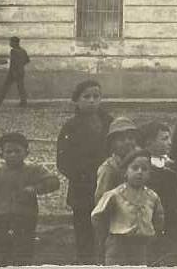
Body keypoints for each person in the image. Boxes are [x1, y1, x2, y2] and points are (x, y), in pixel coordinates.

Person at [57, 79, 114, 264]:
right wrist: (84, 175)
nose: (92, 101)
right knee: (84, 235)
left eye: (96, 96)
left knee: (110, 233)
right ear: (77, 100)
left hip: (110, 187)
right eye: (86, 96)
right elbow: (63, 161)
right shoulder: (70, 127)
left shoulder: (110, 123)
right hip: (82, 190)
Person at [0, 132, 60, 266]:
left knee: (23, 254)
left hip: (24, 218)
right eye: (9, 151)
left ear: (26, 153)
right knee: (0, 255)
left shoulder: (33, 170)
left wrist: (35, 188)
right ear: (2, 155)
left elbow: (54, 182)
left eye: (17, 151)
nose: (13, 155)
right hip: (0, 219)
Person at [92, 148, 165, 265]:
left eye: (144, 169)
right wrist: (105, 236)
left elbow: (159, 217)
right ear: (125, 172)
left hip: (141, 244)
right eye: (135, 168)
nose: (140, 172)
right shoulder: (114, 195)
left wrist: (152, 233)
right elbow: (97, 216)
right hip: (118, 243)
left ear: (149, 174)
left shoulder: (152, 197)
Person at [138, 120, 177, 266]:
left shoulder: (172, 165)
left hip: (172, 218)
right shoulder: (145, 167)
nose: (169, 142)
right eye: (164, 139)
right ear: (149, 143)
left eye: (169, 138)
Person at [95, 116, 139, 202]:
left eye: (131, 138)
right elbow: (102, 200)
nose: (127, 142)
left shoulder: (140, 162)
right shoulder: (109, 168)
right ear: (112, 144)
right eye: (121, 139)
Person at [0, 35, 29, 106]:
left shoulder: (13, 51)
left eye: (11, 42)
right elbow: (27, 60)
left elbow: (13, 62)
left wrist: (13, 70)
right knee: (20, 87)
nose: (10, 43)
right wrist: (20, 65)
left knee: (5, 87)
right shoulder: (23, 51)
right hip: (21, 71)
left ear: (15, 42)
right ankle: (24, 102)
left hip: (13, 72)